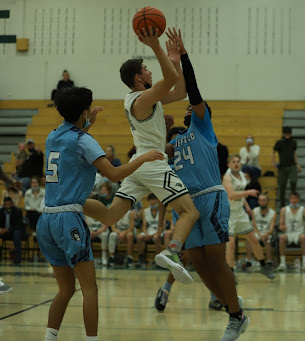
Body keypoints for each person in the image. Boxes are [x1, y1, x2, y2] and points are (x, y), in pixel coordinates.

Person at [35, 86, 164, 341]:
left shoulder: (52, 136)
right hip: (68, 219)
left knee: (65, 289)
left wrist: (86, 125)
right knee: (89, 288)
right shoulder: (85, 140)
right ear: (84, 111)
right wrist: (142, 158)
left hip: (46, 219)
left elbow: (71, 145)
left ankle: (49, 338)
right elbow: (114, 175)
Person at [151, 30, 251, 339]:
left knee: (215, 257)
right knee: (197, 262)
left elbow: (192, 90)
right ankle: (230, 303)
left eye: (193, 108)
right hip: (186, 205)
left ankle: (235, 316)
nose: (188, 109)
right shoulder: (176, 140)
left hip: (211, 197)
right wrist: (161, 128)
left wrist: (182, 57)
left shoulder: (204, 128)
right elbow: (148, 150)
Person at [83, 27, 199, 285]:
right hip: (152, 162)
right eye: (146, 68)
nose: (150, 71)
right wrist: (157, 47)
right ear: (138, 77)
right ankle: (172, 251)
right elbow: (169, 80)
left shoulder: (145, 99)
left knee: (110, 216)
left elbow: (180, 92)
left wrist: (175, 58)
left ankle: (69, 202)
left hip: (140, 166)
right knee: (190, 212)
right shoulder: (141, 101)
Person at [223, 154, 275, 277]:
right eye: (233, 161)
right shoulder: (227, 177)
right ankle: (230, 273)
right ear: (229, 165)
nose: (236, 163)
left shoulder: (242, 175)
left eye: (238, 161)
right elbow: (231, 195)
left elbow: (239, 193)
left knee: (253, 238)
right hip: (228, 213)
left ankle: (263, 266)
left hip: (240, 212)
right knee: (230, 244)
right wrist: (249, 192)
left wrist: (246, 205)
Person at [276, 192, 305, 271]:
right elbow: (280, 225)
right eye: (292, 198)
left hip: (299, 233)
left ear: (298, 199)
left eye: (296, 198)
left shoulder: (304, 210)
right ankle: (282, 263)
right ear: (289, 199)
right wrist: (282, 227)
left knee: (303, 237)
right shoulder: (284, 210)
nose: (294, 200)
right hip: (288, 233)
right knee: (281, 237)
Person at [272, 126, 301, 208]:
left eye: (289, 134)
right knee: (282, 185)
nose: (287, 136)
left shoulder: (294, 142)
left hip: (292, 165)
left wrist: (297, 164)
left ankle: (293, 199)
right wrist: (273, 162)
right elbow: (273, 152)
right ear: (283, 134)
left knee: (293, 181)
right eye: (286, 134)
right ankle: (282, 202)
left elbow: (294, 154)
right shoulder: (279, 142)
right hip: (282, 167)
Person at [136, 194, 165, 266]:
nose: (152, 201)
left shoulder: (162, 211)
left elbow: (162, 226)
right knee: (139, 237)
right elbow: (144, 225)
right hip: (149, 231)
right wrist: (146, 234)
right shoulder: (145, 211)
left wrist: (152, 235)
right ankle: (141, 258)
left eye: (154, 199)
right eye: (150, 200)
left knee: (156, 238)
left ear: (157, 201)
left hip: (158, 232)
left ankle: (157, 260)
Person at [251, 193, 276, 264]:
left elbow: (271, 229)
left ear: (268, 201)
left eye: (264, 200)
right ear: (258, 201)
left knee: (268, 239)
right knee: (250, 238)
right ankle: (248, 261)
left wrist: (266, 234)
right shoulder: (254, 211)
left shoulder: (273, 213)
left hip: (266, 232)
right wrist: (259, 235)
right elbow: (254, 226)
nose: (262, 202)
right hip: (256, 232)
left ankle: (269, 261)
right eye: (260, 200)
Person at [0, 197, 25, 264]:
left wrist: (7, 229)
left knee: (16, 233)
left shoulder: (18, 211)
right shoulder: (1, 211)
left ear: (12, 204)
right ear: (3, 204)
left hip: (15, 231)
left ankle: (17, 258)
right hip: (4, 232)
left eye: (9, 204)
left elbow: (18, 225)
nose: (8, 206)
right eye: (6, 204)